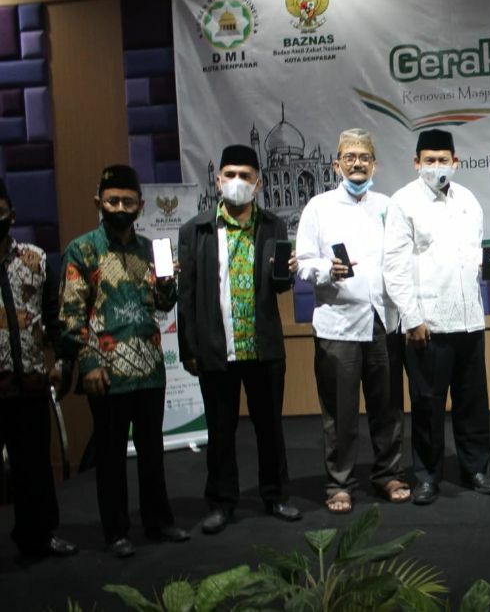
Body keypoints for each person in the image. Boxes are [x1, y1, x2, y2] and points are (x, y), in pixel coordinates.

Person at [60, 164, 190, 558]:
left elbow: (163, 305)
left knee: (152, 452)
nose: (120, 208)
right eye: (113, 200)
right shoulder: (82, 250)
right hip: (106, 371)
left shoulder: (150, 249)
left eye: (128, 202)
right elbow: (70, 314)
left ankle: (158, 521)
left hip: (149, 367)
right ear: (98, 202)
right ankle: (116, 531)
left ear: (140, 206)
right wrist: (87, 363)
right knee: (111, 456)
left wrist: (167, 284)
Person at [177, 144, 301, 535]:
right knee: (220, 431)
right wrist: (188, 348)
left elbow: (279, 287)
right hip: (217, 347)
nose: (237, 182)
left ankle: (276, 496)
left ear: (258, 184)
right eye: (229, 175)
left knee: (270, 428)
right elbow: (186, 294)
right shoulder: (196, 230)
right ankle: (221, 502)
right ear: (217, 181)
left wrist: (288, 272)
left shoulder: (273, 226)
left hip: (262, 346)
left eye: (245, 176)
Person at [383, 129, 490, 505]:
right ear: (416, 163)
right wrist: (411, 317)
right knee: (427, 405)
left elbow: (470, 254)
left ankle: (475, 469)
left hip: (469, 321)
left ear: (456, 162)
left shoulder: (469, 201)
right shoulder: (403, 202)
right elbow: (394, 267)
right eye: (429, 160)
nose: (436, 166)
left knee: (472, 402)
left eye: (443, 159)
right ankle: (427, 477)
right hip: (427, 325)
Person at [296, 129, 409, 511]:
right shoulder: (318, 207)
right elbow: (304, 262)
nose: (357, 163)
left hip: (383, 321)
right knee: (340, 411)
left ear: (374, 164)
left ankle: (388, 474)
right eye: (350, 157)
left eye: (364, 157)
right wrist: (328, 270)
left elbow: (399, 259)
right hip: (338, 324)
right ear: (336, 164)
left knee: (388, 406)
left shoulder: (388, 206)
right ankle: (339, 484)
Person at [0, 180, 78, 559]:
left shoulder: (37, 259)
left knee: (35, 467)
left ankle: (41, 535)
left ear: (12, 215)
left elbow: (55, 316)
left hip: (30, 380)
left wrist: (62, 362)